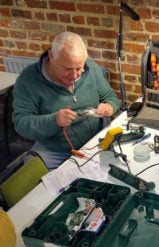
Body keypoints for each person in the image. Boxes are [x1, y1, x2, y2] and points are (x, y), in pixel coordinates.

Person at [12, 31, 120, 169]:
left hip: (93, 143)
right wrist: (54, 121)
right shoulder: (28, 80)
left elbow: (110, 96)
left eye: (79, 68)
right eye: (68, 69)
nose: (75, 75)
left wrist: (109, 106)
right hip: (54, 150)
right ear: (51, 56)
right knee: (39, 183)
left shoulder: (90, 67)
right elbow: (21, 124)